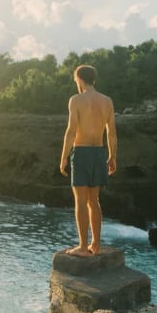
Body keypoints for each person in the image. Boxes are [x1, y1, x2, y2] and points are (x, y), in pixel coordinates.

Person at [59, 64, 117, 256]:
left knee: (81, 202)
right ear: (94, 79)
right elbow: (112, 133)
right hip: (99, 152)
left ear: (79, 79)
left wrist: (64, 157)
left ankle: (83, 247)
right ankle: (96, 245)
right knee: (95, 201)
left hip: (82, 152)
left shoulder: (76, 100)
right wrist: (112, 156)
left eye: (76, 79)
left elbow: (71, 131)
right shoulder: (107, 101)